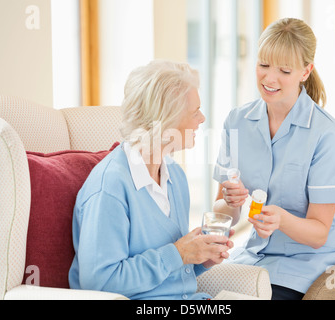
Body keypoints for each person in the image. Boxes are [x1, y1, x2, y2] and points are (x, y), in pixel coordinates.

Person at [212, 18, 335, 300]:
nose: (269, 78)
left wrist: (281, 220)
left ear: (306, 71)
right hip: (253, 256)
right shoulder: (236, 122)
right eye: (263, 65)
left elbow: (318, 234)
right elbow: (224, 216)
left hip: (309, 265)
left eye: (284, 70)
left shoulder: (327, 135)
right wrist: (229, 203)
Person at [69, 60, 234, 300]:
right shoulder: (110, 187)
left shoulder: (175, 176)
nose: (202, 118)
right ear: (165, 120)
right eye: (194, 111)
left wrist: (201, 257)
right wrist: (178, 254)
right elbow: (100, 283)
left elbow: (171, 270)